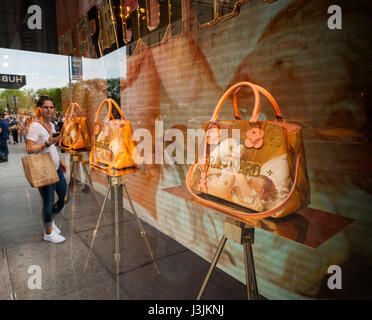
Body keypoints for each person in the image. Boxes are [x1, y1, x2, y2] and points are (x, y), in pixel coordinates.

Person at [26, 96, 69, 243]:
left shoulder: (52, 124)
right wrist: (46, 143)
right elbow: (29, 149)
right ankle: (48, 232)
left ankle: (50, 219)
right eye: (46, 107)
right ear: (39, 109)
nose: (49, 109)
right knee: (48, 201)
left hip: (56, 167)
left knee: (65, 197)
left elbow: (54, 147)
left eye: (51, 107)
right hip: (44, 168)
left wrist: (61, 161)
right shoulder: (35, 126)